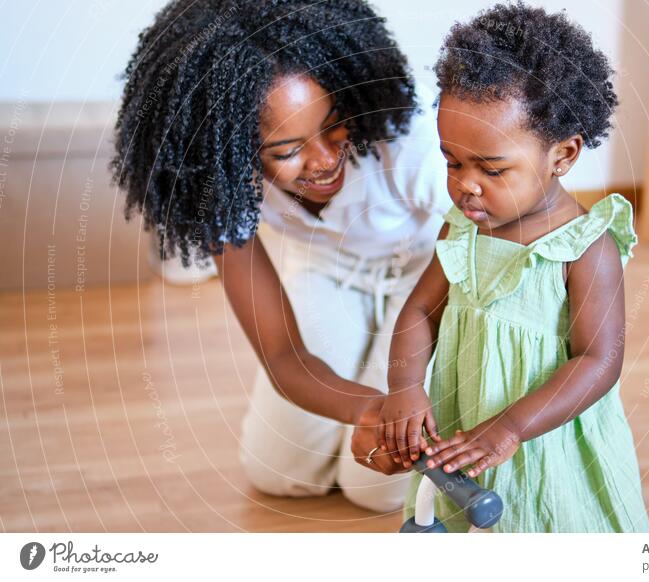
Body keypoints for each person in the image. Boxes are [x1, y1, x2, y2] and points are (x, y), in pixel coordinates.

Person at [112, 0, 451, 513]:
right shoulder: (220, 182)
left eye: (333, 126)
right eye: (286, 151)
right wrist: (370, 409)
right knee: (279, 472)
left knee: (375, 492)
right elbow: (281, 355)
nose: (324, 161)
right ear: (230, 151)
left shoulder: (408, 132)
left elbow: (478, 247)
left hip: (430, 278)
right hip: (328, 273)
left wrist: (404, 380)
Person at [378, 3, 649, 532]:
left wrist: (511, 428)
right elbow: (419, 310)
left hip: (543, 436)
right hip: (465, 424)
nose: (466, 184)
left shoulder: (585, 248)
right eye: (452, 161)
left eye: (492, 168)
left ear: (563, 155)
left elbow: (598, 360)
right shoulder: (461, 226)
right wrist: (405, 386)